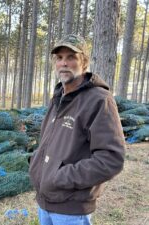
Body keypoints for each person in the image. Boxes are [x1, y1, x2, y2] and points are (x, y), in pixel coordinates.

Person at [28, 34, 125, 225]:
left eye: (71, 57)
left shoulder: (98, 100)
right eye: (59, 58)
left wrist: (60, 176)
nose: (64, 63)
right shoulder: (58, 97)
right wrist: (37, 164)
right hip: (45, 203)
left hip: (71, 211)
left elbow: (112, 159)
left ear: (84, 62)